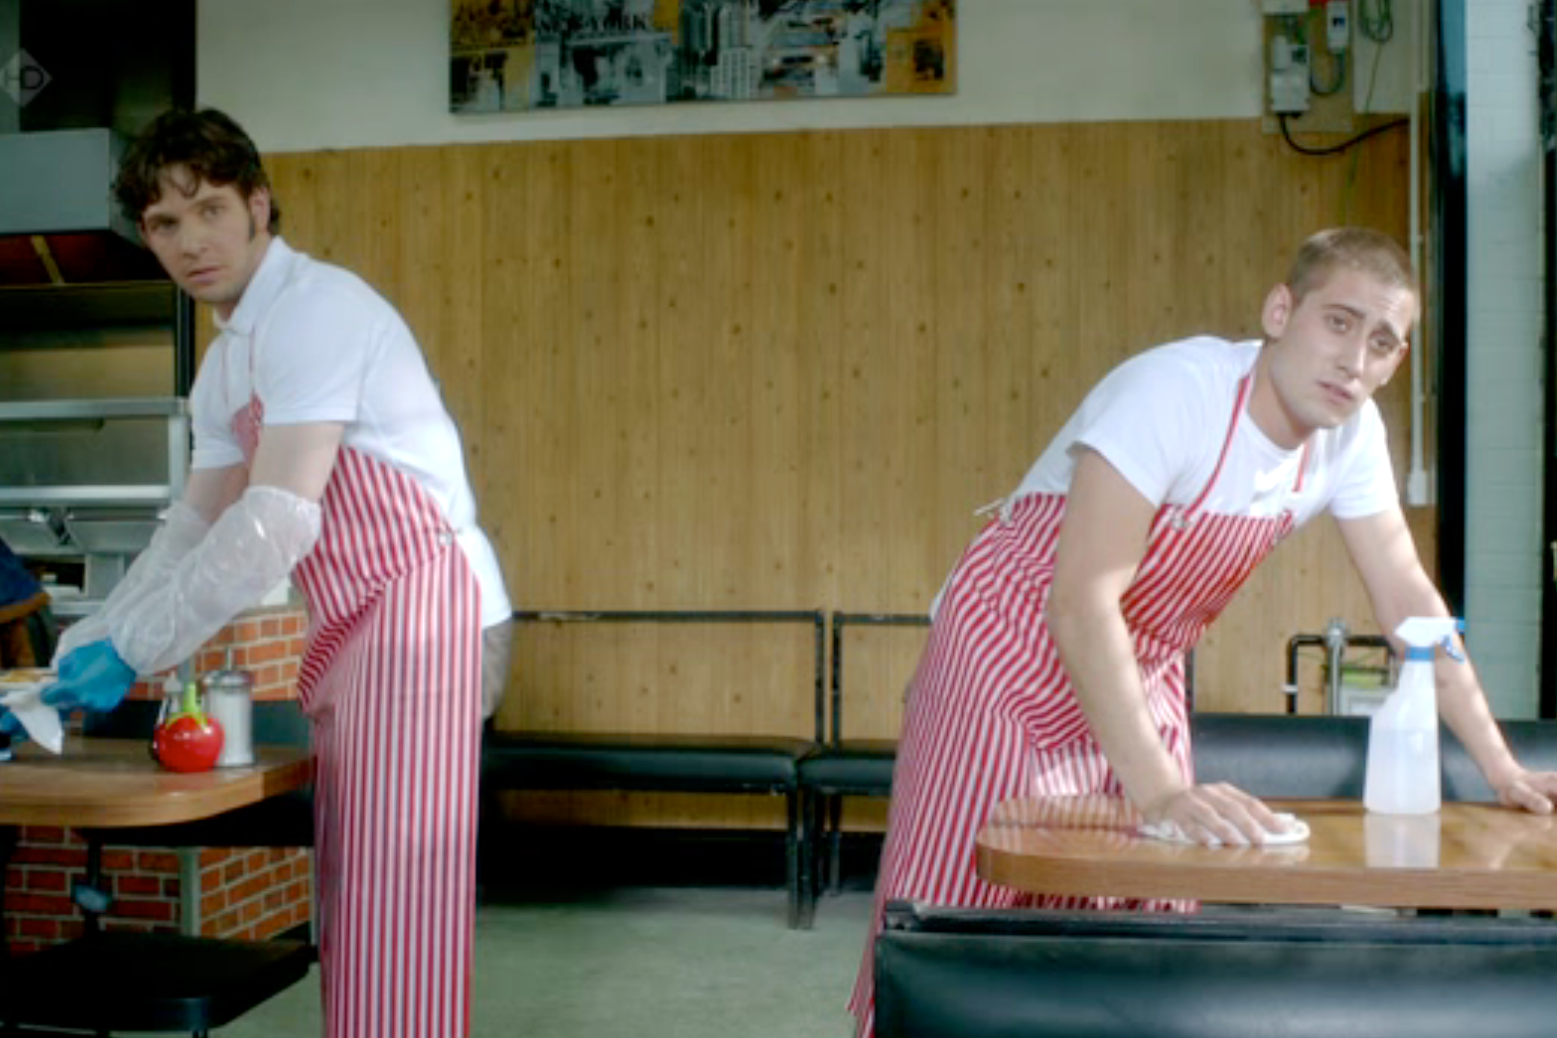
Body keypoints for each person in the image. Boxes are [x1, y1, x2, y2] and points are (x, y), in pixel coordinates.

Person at [847, 227, 1557, 1038]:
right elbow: (1080, 603)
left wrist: (1502, 767)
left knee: (1147, 904)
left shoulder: (1351, 438)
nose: (1354, 358)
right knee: (957, 912)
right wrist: (1163, 790)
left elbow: (1410, 606)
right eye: (1338, 321)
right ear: (1280, 310)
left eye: (1383, 342)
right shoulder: (1171, 392)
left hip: (1135, 666)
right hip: (1006, 656)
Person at [0, 108, 513, 1038]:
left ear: (259, 207)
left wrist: (141, 647)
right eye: (163, 223)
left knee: (396, 896)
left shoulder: (317, 309)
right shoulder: (224, 365)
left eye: (208, 210)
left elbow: (275, 519)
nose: (190, 241)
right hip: (357, 618)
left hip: (426, 608)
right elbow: (192, 528)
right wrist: (90, 643)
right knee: (353, 893)